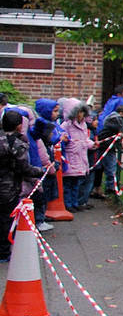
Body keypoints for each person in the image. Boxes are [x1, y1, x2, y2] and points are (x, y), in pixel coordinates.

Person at [0, 109, 44, 263]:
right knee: (6, 219)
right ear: (19, 126)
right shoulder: (18, 144)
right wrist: (42, 171)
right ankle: (4, 252)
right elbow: (24, 168)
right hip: (8, 187)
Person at [28, 98, 61, 230]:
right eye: (55, 111)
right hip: (43, 167)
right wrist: (50, 165)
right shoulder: (41, 129)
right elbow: (43, 151)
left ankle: (40, 218)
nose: (57, 114)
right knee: (41, 195)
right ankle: (39, 220)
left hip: (44, 165)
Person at [92, 86, 123, 198]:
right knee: (109, 163)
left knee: (99, 164)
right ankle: (110, 187)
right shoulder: (120, 102)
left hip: (100, 133)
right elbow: (120, 122)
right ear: (120, 94)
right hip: (108, 137)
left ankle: (97, 188)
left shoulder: (111, 100)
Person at [60, 101, 93, 211]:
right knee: (68, 184)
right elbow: (61, 137)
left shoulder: (83, 125)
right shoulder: (66, 125)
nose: (81, 115)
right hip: (70, 157)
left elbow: (85, 139)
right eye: (79, 112)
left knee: (76, 184)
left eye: (82, 112)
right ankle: (68, 204)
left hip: (80, 157)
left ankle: (75, 203)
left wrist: (92, 144)